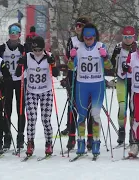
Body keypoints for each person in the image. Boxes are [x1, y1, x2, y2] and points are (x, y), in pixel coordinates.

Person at [68, 23, 113, 156]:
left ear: (95, 36)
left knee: (95, 115)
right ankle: (80, 141)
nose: (88, 40)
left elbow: (109, 66)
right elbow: (71, 67)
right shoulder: (78, 47)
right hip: (82, 85)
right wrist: (72, 57)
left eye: (91, 38)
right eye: (86, 38)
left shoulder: (101, 46)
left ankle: (96, 142)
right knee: (81, 115)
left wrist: (105, 57)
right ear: (83, 37)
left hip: (97, 85)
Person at [15, 36, 59, 157]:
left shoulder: (48, 56)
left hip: (46, 91)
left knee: (46, 120)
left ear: (43, 48)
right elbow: (18, 74)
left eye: (39, 50)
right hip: (31, 91)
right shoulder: (28, 57)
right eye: (35, 50)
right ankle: (30, 143)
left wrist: (53, 64)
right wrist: (20, 64)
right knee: (32, 119)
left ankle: (48, 143)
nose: (37, 53)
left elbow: (56, 74)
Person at [62, 16, 94, 152]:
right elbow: (69, 58)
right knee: (73, 107)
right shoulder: (72, 40)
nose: (78, 28)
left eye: (81, 26)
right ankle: (72, 137)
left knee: (90, 108)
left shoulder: (92, 40)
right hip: (74, 76)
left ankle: (90, 138)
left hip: (88, 77)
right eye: (76, 26)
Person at [0, 23, 25, 151]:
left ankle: (20, 137)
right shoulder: (2, 48)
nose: (13, 33)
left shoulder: (23, 48)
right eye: (11, 31)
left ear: (20, 34)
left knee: (20, 110)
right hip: (7, 81)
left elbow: (27, 63)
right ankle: (7, 137)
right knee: (7, 109)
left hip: (19, 81)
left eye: (16, 31)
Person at [110, 26, 137, 146]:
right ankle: (121, 132)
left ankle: (133, 132)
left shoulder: (137, 47)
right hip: (122, 79)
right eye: (125, 37)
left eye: (130, 37)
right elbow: (111, 64)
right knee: (122, 107)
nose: (127, 40)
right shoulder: (118, 46)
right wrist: (114, 56)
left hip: (134, 81)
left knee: (133, 108)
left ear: (134, 37)